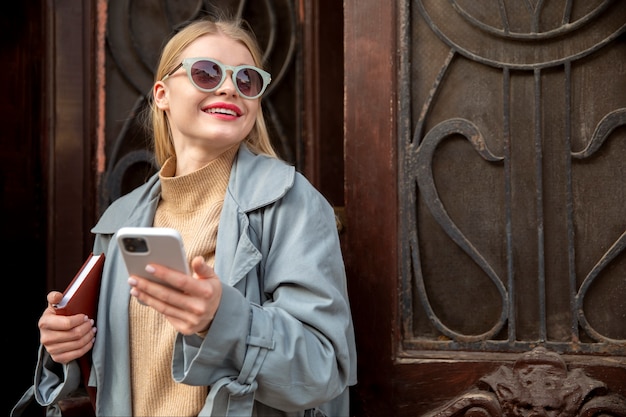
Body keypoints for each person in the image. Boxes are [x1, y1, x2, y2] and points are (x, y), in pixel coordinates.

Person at [13, 16, 357, 417]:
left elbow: (323, 370)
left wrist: (222, 319)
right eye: (207, 73)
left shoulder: (291, 201)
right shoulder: (121, 221)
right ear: (162, 94)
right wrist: (66, 346)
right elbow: (117, 372)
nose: (229, 87)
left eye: (246, 80)